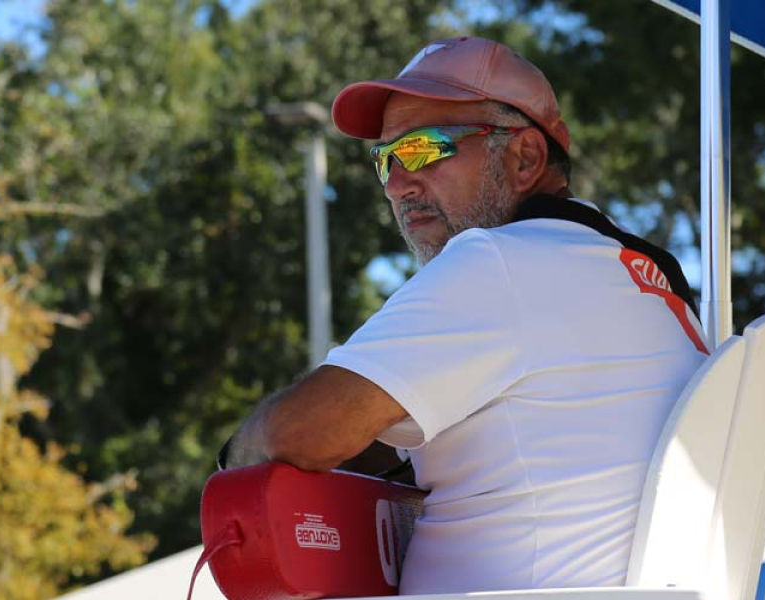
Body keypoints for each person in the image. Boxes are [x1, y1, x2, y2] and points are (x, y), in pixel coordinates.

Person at [219, 36, 709, 594]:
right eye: (386, 159)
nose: (399, 184)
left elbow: (297, 434)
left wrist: (234, 456)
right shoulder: (645, 281)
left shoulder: (502, 261)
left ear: (525, 157)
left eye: (425, 148)